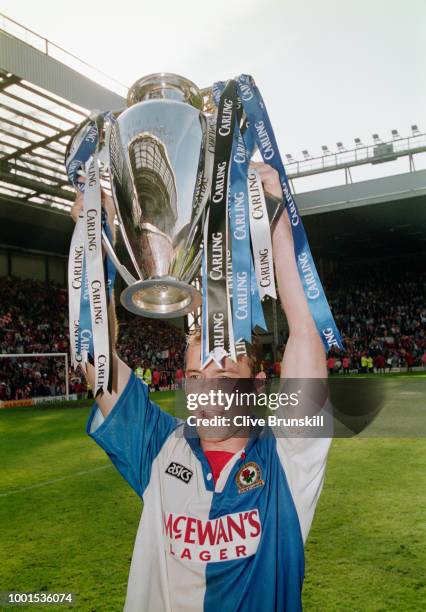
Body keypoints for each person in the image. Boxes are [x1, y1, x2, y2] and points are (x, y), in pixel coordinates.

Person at [71, 163, 331, 612]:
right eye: (196, 378)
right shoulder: (159, 447)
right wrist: (92, 241)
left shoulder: (289, 457)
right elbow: (93, 359)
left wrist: (276, 218)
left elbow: (306, 335)